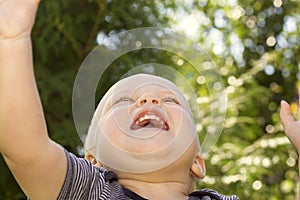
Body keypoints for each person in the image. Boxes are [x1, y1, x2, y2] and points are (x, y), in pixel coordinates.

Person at [0, 1, 295, 200]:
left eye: (172, 101)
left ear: (197, 162)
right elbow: (25, 149)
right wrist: (10, 40)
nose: (149, 99)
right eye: (122, 101)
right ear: (93, 160)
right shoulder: (91, 190)